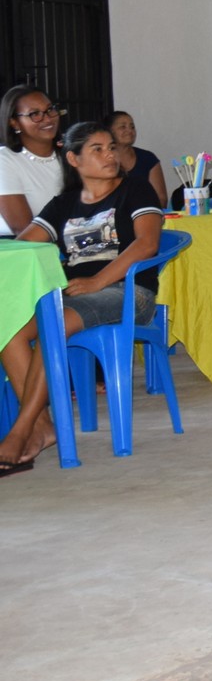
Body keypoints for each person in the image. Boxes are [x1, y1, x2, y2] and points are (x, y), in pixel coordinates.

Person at [0, 121, 164, 475]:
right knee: (10, 329)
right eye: (98, 149)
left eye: (111, 147)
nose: (110, 155)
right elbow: (25, 243)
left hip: (129, 293)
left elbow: (147, 244)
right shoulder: (64, 204)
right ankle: (44, 428)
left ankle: (20, 429)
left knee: (52, 322)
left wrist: (98, 281)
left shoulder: (135, 191)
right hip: (78, 296)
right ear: (73, 159)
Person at [0, 86, 64, 237]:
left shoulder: (70, 154)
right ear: (14, 123)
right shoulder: (5, 160)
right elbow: (23, 230)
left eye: (50, 110)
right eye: (35, 114)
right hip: (26, 250)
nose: (48, 119)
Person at [101, 111, 168, 207]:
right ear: (109, 131)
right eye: (123, 127)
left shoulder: (148, 158)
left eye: (132, 127)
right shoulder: (102, 160)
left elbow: (161, 199)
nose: (129, 131)